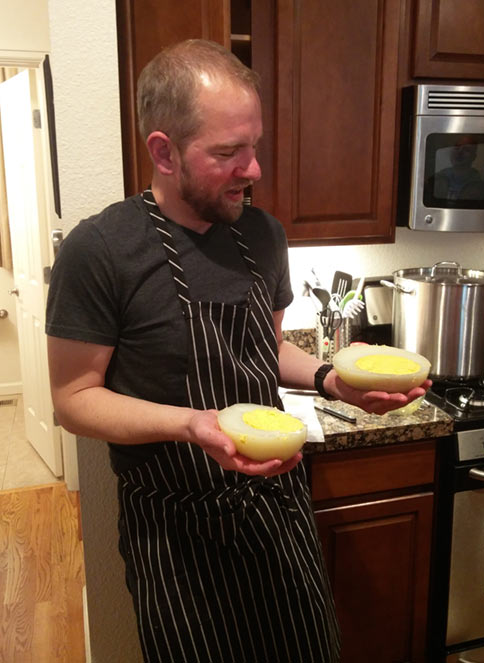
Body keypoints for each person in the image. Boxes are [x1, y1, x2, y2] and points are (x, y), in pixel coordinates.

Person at [45, 39, 430, 663]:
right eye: (228, 152)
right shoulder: (100, 250)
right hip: (175, 532)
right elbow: (74, 400)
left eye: (255, 147)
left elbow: (266, 346)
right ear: (163, 152)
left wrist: (333, 378)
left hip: (278, 511)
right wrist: (192, 426)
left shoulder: (261, 234)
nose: (253, 170)